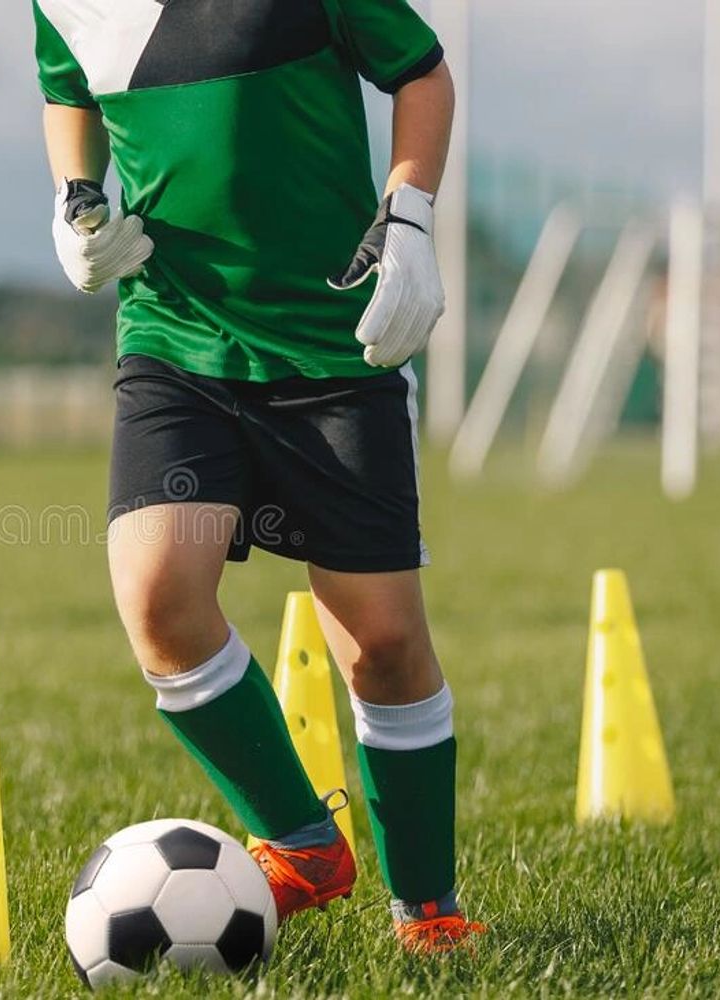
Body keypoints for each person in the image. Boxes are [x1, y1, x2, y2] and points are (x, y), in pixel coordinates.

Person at [33, 0, 475, 954]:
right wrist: (75, 196)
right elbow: (65, 88)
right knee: (157, 597)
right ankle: (304, 846)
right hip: (174, 337)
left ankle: (428, 912)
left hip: (334, 341)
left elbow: (422, 72)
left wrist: (409, 219)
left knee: (383, 647)